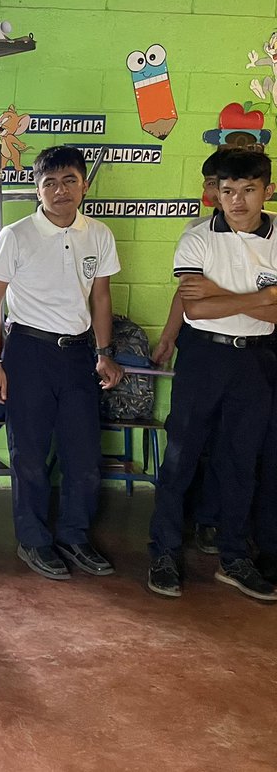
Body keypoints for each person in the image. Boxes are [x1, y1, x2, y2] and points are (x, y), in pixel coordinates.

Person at [0, 145, 123, 581]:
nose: (60, 191)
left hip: (78, 354)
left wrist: (104, 353)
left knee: (83, 455)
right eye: (49, 183)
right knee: (28, 454)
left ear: (84, 184)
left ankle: (75, 536)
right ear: (37, 188)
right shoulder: (17, 235)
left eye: (69, 181)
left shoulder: (98, 234)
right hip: (28, 352)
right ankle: (34, 540)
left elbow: (100, 297)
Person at [146, 148, 277, 602]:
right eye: (227, 191)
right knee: (181, 456)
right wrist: (264, 298)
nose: (237, 201)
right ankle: (164, 553)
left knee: (242, 461)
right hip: (203, 356)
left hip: (256, 359)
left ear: (267, 190)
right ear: (215, 194)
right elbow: (196, 307)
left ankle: (234, 557)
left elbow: (215, 300)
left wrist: (227, 296)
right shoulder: (198, 236)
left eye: (248, 190)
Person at [151, 155, 226, 555]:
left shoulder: (268, 231)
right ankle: (170, 531)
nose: (217, 192)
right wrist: (168, 335)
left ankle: (211, 521)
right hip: (198, 344)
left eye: (225, 184)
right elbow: (187, 293)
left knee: (228, 443)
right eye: (212, 183)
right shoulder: (195, 230)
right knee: (184, 439)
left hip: (248, 348)